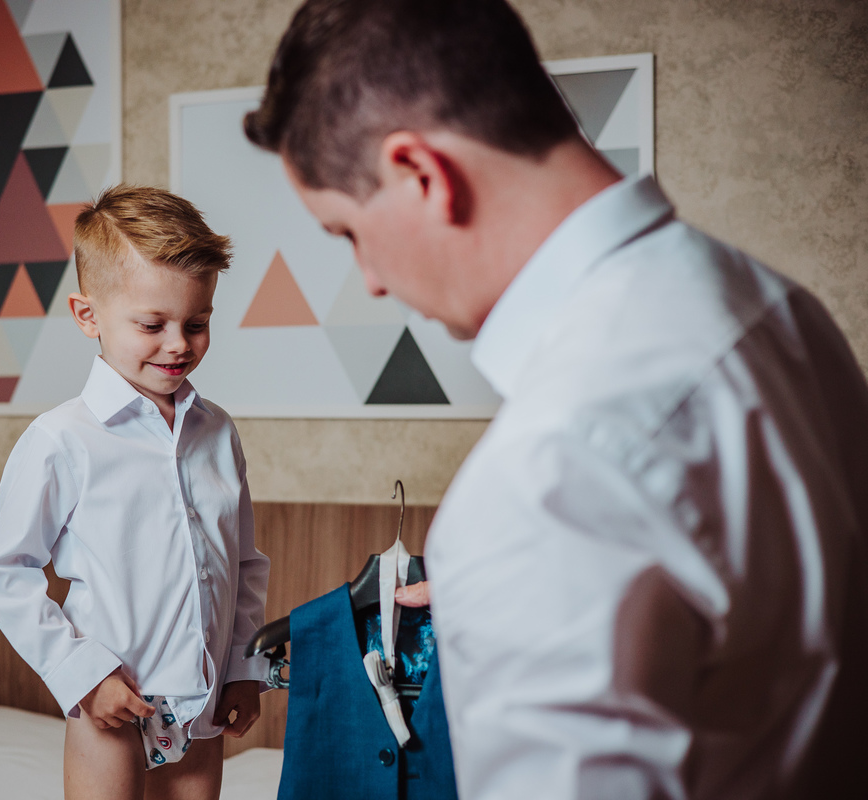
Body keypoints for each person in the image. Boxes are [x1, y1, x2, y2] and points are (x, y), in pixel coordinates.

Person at [244, 0, 868, 797]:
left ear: (421, 174)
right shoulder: (781, 312)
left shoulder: (546, 473)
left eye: (349, 232)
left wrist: (518, 572)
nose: (369, 280)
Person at [0, 185, 269, 800]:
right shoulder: (62, 439)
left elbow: (243, 565)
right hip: (111, 703)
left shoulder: (218, 432)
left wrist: (245, 666)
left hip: (203, 700)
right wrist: (82, 675)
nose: (179, 344)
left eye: (197, 323)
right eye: (152, 325)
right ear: (89, 316)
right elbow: (6, 575)